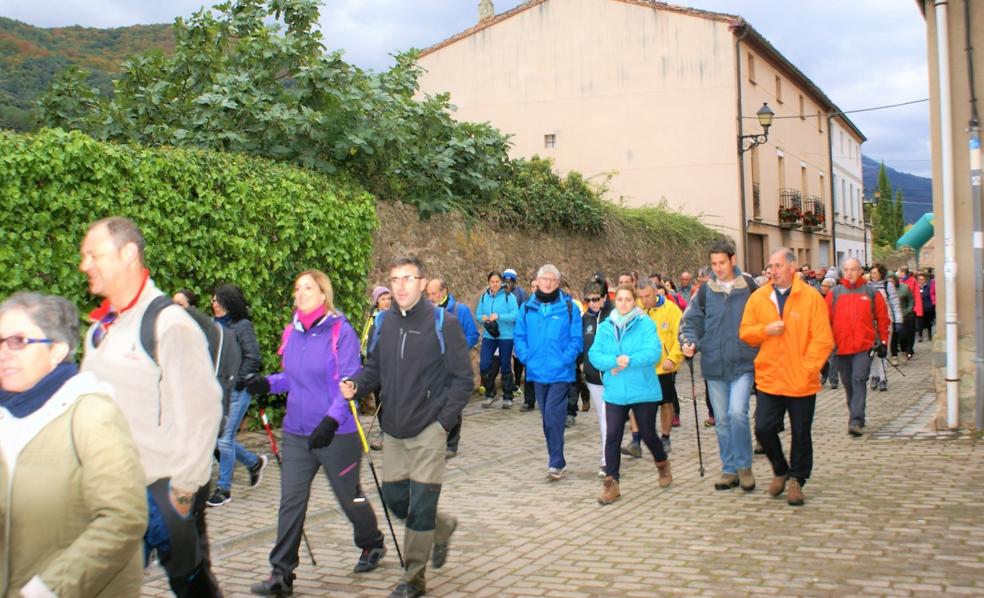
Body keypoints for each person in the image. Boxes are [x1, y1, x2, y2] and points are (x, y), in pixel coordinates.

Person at [78, 216, 223, 596]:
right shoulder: (98, 331)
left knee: (191, 584)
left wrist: (184, 491)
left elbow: (203, 409)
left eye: (93, 254)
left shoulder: (168, 324)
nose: (84, 265)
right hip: (110, 493)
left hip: (158, 492)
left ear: (128, 254)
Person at [341, 256, 473, 598]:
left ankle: (414, 578)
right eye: (394, 279)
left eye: (407, 278)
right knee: (396, 500)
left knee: (420, 507)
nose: (400, 285)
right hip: (394, 429)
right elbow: (374, 368)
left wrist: (443, 423)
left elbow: (462, 380)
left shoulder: (444, 322)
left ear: (422, 283)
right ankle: (442, 529)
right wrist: (357, 385)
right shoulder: (384, 323)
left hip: (429, 429)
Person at [0, 292, 147, 598]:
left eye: (18, 341)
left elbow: (122, 517)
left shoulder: (91, 414)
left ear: (57, 350)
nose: (4, 353)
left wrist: (45, 591)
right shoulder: (5, 416)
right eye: (0, 342)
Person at [247, 270, 385, 595]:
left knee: (350, 496)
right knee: (291, 501)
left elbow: (349, 382)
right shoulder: (291, 332)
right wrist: (266, 383)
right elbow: (291, 378)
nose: (301, 292)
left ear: (324, 294)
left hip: (337, 434)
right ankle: (281, 574)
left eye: (308, 287)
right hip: (297, 433)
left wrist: (332, 421)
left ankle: (372, 542)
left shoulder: (341, 331)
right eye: (297, 288)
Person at [740, 248, 834, 507]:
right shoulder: (759, 298)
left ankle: (797, 480)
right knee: (763, 428)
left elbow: (823, 339)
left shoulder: (811, 298)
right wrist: (765, 330)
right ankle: (780, 469)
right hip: (770, 376)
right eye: (771, 266)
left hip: (801, 379)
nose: (773, 270)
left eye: (778, 265)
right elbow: (746, 332)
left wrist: (808, 367)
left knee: (801, 432)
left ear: (792, 268)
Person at [680, 240, 759, 493]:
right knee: (722, 420)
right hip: (714, 364)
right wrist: (689, 341)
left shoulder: (749, 287)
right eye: (714, 264)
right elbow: (691, 322)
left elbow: (763, 318)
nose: (718, 268)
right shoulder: (703, 292)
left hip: (743, 363)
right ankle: (729, 469)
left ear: (732, 260)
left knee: (738, 414)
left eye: (722, 262)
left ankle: (745, 466)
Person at [589, 284, 672, 504]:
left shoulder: (645, 323)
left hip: (642, 389)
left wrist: (629, 360)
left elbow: (653, 352)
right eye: (620, 299)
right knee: (612, 436)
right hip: (615, 390)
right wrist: (613, 362)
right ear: (615, 301)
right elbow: (595, 354)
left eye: (628, 299)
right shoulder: (606, 326)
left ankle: (662, 464)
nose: (624, 303)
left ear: (634, 301)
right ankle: (611, 483)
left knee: (647, 433)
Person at [514, 264, 583, 481]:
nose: (548, 283)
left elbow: (576, 340)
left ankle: (556, 462)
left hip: (561, 373)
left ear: (558, 282)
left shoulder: (569, 308)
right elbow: (519, 336)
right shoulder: (526, 308)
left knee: (553, 415)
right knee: (547, 418)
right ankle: (557, 458)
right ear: (537, 280)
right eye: (545, 279)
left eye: (553, 280)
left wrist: (564, 359)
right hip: (536, 372)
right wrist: (526, 358)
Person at [206, 283, 267, 507]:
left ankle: (224, 489)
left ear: (228, 303)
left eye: (217, 300)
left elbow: (253, 358)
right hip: (216, 392)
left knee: (223, 438)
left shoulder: (242, 326)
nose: (213, 304)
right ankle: (253, 463)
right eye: (212, 300)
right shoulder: (212, 325)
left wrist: (238, 381)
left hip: (237, 392)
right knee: (216, 439)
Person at [826, 258, 889, 437]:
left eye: (853, 269)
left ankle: (856, 420)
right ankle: (855, 413)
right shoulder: (834, 293)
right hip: (841, 347)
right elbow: (825, 321)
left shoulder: (871, 293)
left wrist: (883, 342)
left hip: (864, 346)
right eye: (846, 270)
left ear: (860, 270)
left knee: (859, 379)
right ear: (842, 272)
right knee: (848, 383)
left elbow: (883, 319)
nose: (850, 273)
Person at [426, 277, 479, 458]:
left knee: (453, 402)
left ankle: (451, 444)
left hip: (454, 366)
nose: (430, 297)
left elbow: (472, 334)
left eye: (433, 293)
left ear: (444, 291)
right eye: (428, 294)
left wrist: (458, 351)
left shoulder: (459, 310)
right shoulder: (427, 312)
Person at [633, 279, 683, 455]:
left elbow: (680, 335)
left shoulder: (671, 309)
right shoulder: (636, 310)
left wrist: (673, 358)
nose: (644, 300)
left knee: (665, 402)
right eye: (641, 297)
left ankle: (665, 437)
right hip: (641, 365)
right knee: (636, 402)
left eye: (647, 296)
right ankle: (636, 439)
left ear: (656, 292)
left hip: (663, 366)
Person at [581, 280, 614, 479]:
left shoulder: (612, 317)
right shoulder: (585, 319)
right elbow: (582, 344)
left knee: (608, 418)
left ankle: (608, 460)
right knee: (602, 418)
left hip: (611, 375)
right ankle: (607, 457)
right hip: (593, 377)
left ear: (604, 298)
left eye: (595, 299)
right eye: (588, 300)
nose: (592, 303)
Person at [475, 271, 519, 408]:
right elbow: (478, 313)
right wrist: (482, 318)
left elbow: (515, 314)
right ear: (488, 283)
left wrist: (499, 316)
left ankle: (508, 396)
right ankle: (490, 392)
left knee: (505, 365)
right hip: (489, 335)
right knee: (484, 365)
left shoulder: (509, 297)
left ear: (501, 283)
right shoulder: (484, 297)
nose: (494, 284)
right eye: (492, 282)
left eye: (497, 282)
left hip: (506, 336)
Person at [868, 264, 903, 392]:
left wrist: (898, 320)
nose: (873, 275)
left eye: (875, 273)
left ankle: (883, 377)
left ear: (881, 274)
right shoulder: (867, 287)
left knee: (883, 350)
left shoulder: (888, 286)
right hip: (871, 323)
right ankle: (874, 375)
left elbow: (894, 303)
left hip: (885, 321)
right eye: (871, 273)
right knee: (871, 351)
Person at [818, 278, 840, 390]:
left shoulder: (835, 299)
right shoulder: (819, 297)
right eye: (822, 285)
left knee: (833, 357)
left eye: (824, 286)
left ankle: (833, 380)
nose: (822, 287)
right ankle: (825, 373)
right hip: (820, 331)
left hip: (832, 330)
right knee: (821, 356)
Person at [889, 274, 916, 363]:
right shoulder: (887, 290)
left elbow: (911, 300)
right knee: (893, 337)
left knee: (902, 336)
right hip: (891, 316)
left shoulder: (904, 288)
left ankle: (904, 352)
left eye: (892, 281)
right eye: (889, 282)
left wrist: (908, 310)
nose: (891, 283)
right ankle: (894, 356)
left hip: (904, 315)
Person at [916, 273, 935, 342]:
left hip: (927, 307)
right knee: (920, 323)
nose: (921, 281)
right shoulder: (916, 287)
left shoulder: (928, 287)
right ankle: (920, 336)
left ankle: (930, 335)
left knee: (928, 322)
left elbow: (931, 295)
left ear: (925, 280)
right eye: (919, 279)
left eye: (922, 279)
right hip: (919, 308)